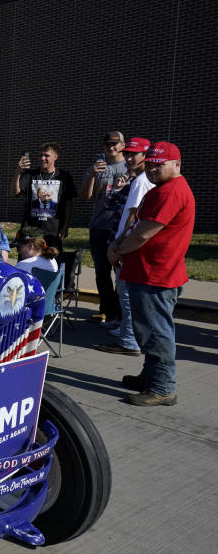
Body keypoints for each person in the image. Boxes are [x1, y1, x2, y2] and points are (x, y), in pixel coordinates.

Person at [108, 142, 194, 406]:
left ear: (176, 164)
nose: (154, 169)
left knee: (156, 333)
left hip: (156, 275)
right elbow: (136, 223)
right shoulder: (161, 190)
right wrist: (119, 243)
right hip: (147, 273)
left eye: (161, 164)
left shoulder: (171, 191)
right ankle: (151, 376)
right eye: (152, 164)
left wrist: (119, 249)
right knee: (147, 330)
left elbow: (144, 233)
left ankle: (162, 387)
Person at [96, 137, 154, 356]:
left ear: (146, 156)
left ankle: (129, 341)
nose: (129, 158)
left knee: (127, 295)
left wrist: (117, 245)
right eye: (127, 154)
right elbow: (114, 205)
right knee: (129, 295)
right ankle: (130, 335)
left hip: (126, 244)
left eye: (134, 154)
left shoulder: (141, 181)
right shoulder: (137, 178)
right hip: (127, 242)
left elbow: (132, 215)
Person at [78, 130, 129, 325]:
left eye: (115, 144)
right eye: (108, 144)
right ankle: (107, 310)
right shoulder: (96, 168)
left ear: (123, 146)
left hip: (121, 228)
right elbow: (83, 197)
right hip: (99, 226)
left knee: (121, 273)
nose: (111, 147)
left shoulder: (129, 166)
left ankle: (121, 313)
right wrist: (92, 174)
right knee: (102, 271)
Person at [11, 143, 75, 251]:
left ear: (56, 156)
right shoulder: (30, 175)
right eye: (40, 155)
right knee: (27, 264)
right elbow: (14, 192)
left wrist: (65, 227)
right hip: (30, 231)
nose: (42, 158)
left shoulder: (64, 176)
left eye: (46, 156)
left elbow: (68, 204)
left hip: (53, 231)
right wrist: (18, 171)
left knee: (51, 264)